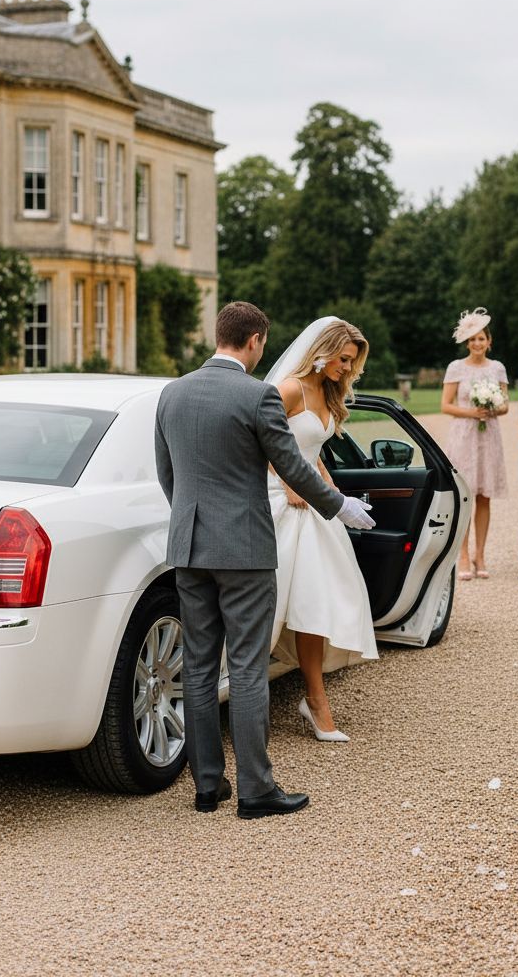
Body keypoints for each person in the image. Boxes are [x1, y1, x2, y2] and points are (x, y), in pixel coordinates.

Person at [154, 301, 374, 820]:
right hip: (247, 551)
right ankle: (256, 791)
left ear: (219, 335)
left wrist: (192, 524)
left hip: (189, 548)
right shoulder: (257, 397)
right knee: (249, 669)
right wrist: (339, 507)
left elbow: (168, 477)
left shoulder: (172, 393)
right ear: (254, 341)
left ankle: (207, 787)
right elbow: (293, 466)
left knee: (201, 669)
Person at [266, 317, 378, 743]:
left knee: (315, 603)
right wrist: (290, 481)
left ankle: (315, 700)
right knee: (271, 607)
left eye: (352, 363)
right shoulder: (290, 388)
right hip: (279, 499)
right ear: (323, 351)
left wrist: (328, 487)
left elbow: (310, 451)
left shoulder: (329, 392)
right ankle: (245, 698)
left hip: (312, 500)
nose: (347, 369)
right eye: (343, 359)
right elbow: (261, 440)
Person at [442, 308, 509, 580]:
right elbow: (445, 405)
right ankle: (464, 554)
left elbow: (505, 405)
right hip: (464, 435)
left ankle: (481, 554)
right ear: (467, 343)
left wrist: (492, 406)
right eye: (472, 340)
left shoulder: (498, 368)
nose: (477, 344)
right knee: (465, 495)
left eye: (481, 339)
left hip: (489, 435)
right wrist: (472, 412)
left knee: (484, 496)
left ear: (489, 341)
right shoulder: (456, 368)